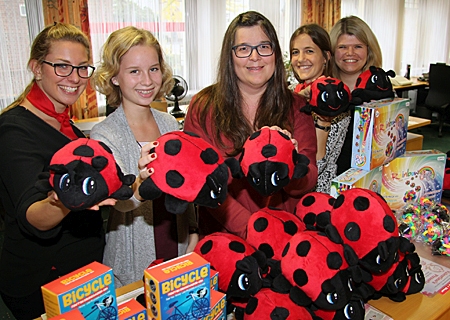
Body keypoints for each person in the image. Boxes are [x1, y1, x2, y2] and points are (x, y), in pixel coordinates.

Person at [0, 23, 114, 319]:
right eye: (62, 67)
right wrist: (66, 199)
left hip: (82, 276)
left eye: (81, 68)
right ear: (36, 68)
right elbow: (34, 217)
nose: (75, 79)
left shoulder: (70, 129)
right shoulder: (13, 131)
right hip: (44, 282)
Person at [183, 11, 318, 239]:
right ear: (230, 56)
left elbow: (308, 181)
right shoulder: (203, 106)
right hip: (225, 243)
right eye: (244, 49)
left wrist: (291, 164)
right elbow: (200, 180)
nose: (255, 57)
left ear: (275, 53)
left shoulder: (297, 107)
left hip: (283, 238)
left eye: (264, 47)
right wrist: (252, 229)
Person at [90, 26, 198, 288]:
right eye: (134, 71)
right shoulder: (104, 135)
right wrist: (139, 184)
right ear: (115, 77)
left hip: (179, 247)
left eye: (153, 68)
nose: (147, 80)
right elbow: (118, 204)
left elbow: (186, 188)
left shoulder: (170, 124)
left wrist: (193, 231)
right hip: (133, 261)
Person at [311, 16, 383, 193]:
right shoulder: (319, 93)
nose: (350, 53)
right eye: (342, 47)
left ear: (369, 50)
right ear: (331, 53)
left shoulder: (382, 92)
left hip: (370, 184)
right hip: (327, 186)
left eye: (358, 46)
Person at [289, 24, 338, 193]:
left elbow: (318, 162)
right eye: (296, 52)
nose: (301, 58)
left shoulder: (334, 97)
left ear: (326, 57)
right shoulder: (294, 92)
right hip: (288, 187)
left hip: (316, 194)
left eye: (309, 51)